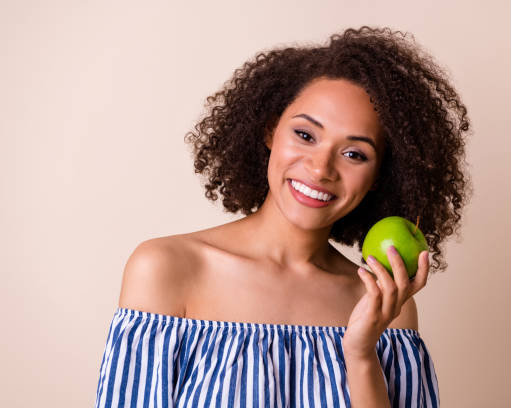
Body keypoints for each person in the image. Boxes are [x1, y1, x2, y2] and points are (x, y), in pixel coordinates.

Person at [94, 26, 471, 407]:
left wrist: (360, 355)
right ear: (270, 130)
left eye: (355, 154)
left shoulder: (386, 306)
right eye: (306, 135)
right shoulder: (166, 269)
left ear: (380, 177)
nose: (321, 168)